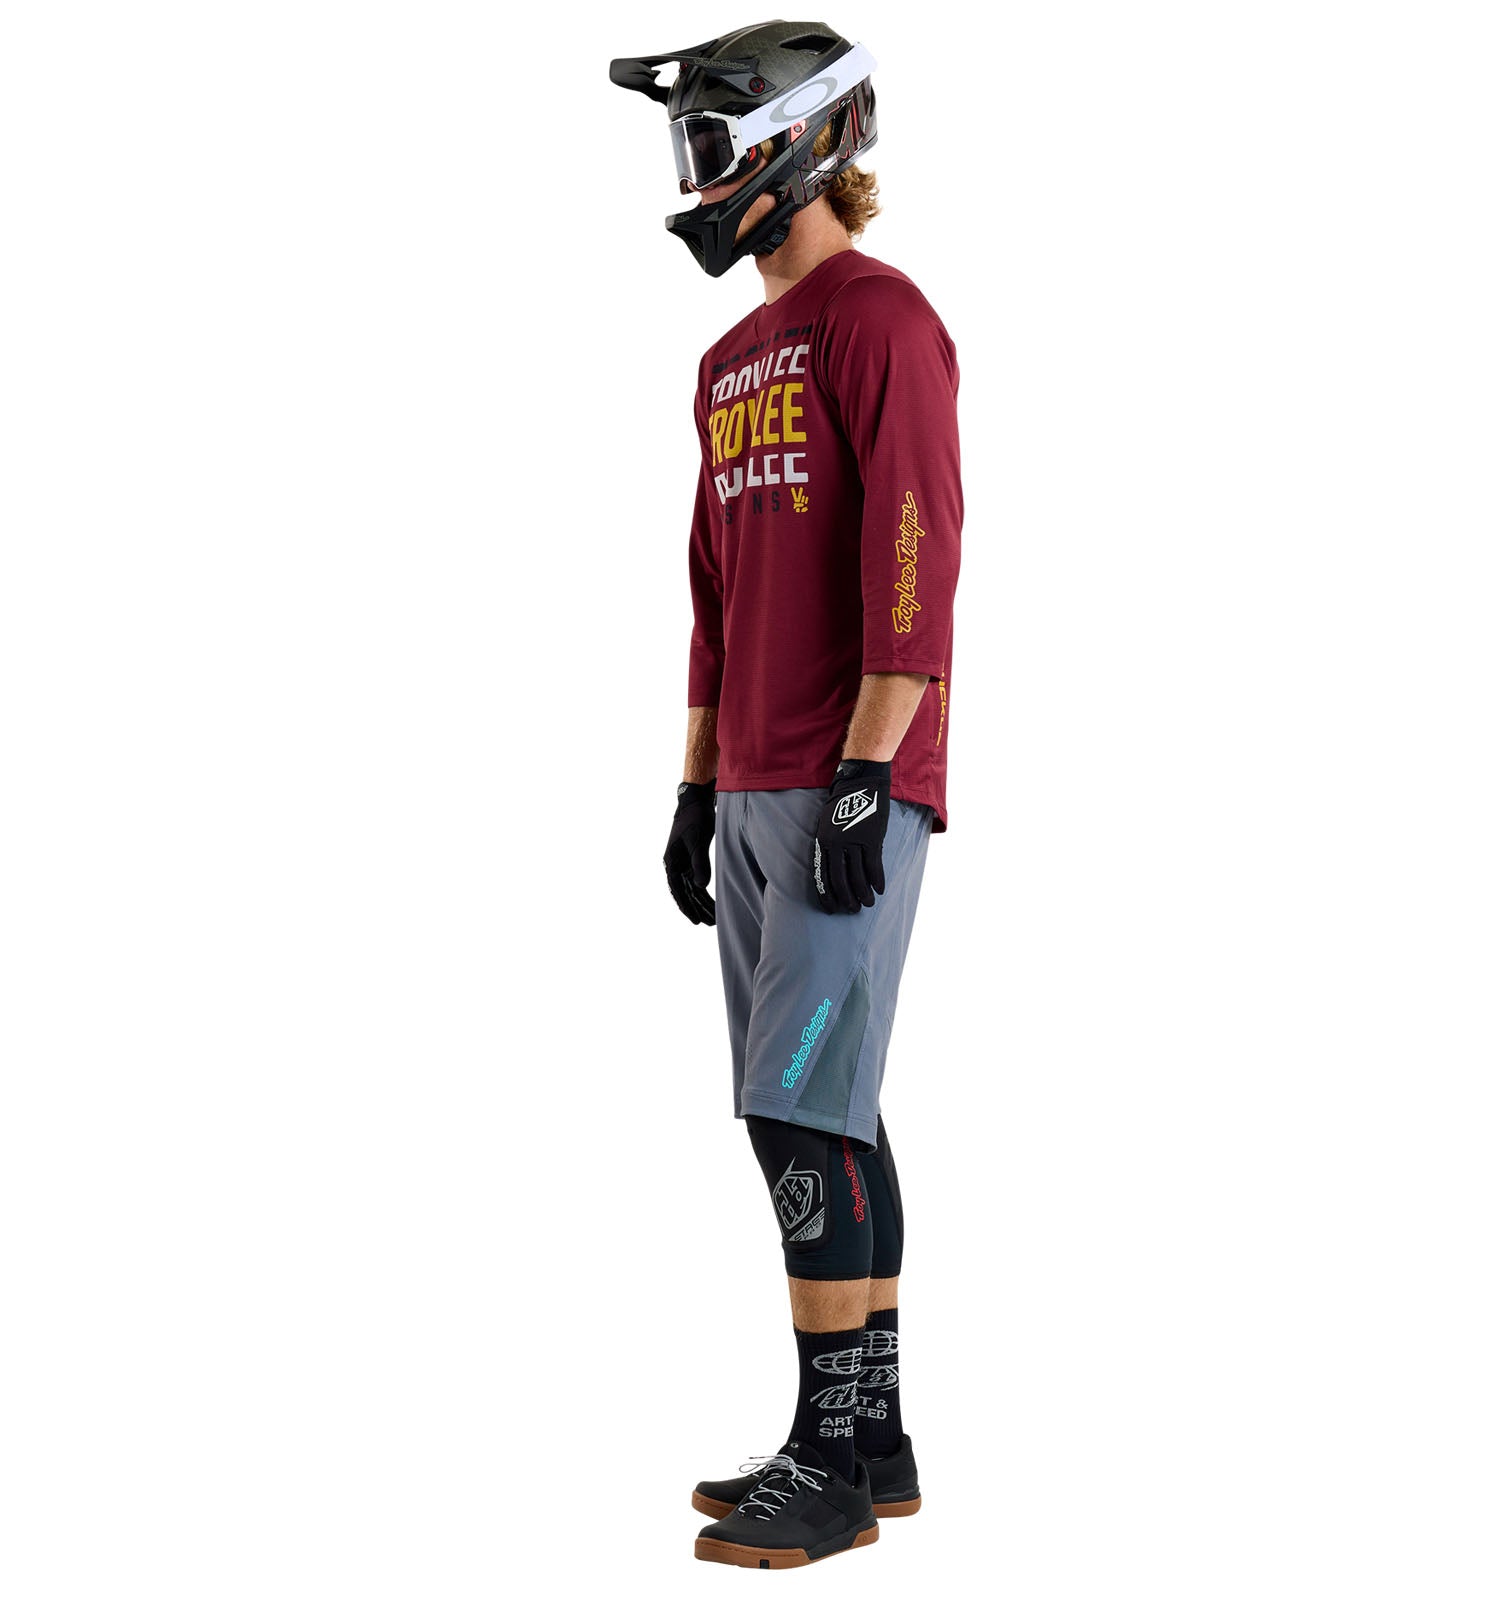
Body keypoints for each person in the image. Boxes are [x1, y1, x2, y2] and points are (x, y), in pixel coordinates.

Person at [612, 21, 962, 1569]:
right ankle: (871, 1438)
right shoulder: (726, 363)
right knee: (832, 1105)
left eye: (710, 145)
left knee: (793, 1110)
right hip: (751, 780)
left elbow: (916, 545)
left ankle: (826, 1462)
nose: (695, 181)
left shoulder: (881, 320)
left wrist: (870, 770)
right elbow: (714, 592)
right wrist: (694, 787)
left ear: (802, 142)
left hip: (843, 777)